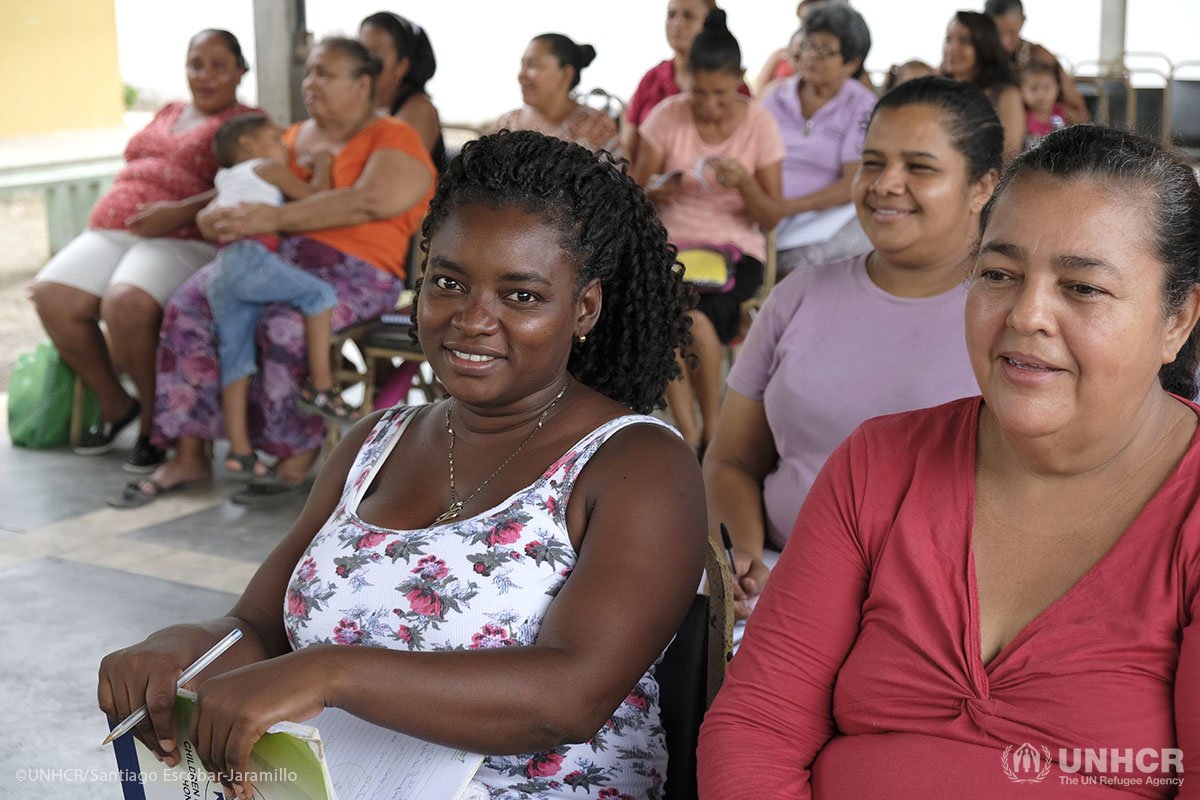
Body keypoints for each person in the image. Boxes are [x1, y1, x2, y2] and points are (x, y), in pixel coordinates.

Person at [98, 130, 706, 800]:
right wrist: (184, 647)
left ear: (583, 307)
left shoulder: (638, 462)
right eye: (449, 282)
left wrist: (331, 673)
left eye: (521, 296)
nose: (472, 319)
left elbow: (570, 696)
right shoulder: (372, 443)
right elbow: (260, 628)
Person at [698, 125, 1200, 796]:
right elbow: (760, 723)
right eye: (999, 274)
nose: (1027, 315)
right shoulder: (878, 464)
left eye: (1082, 288)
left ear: (1178, 320)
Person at [705, 75, 1000, 624]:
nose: (886, 183)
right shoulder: (798, 295)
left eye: (919, 167)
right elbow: (731, 460)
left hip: (937, 613)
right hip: (776, 585)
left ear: (982, 186)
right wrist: (741, 559)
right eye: (872, 162)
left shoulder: (1014, 319)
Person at [115, 37, 435, 507]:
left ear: (362, 83)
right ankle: (189, 452)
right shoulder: (287, 137)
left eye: (325, 73)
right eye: (308, 73)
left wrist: (275, 220)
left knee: (283, 324)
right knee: (188, 306)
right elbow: (233, 191)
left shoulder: (394, 137)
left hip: (358, 270)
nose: (311, 83)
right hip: (266, 257)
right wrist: (209, 218)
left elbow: (369, 200)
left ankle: (294, 453)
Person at [30, 29, 258, 473]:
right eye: (196, 64)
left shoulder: (248, 122)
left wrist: (177, 211)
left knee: (126, 303)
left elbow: (251, 182)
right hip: (115, 229)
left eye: (218, 65)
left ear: (240, 71)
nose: (204, 75)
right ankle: (117, 405)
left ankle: (157, 426)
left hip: (182, 235)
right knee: (50, 295)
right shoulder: (170, 110)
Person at [633, 8, 784, 453]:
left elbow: (772, 215)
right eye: (699, 92)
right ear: (686, 80)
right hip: (670, 250)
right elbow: (634, 194)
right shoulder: (665, 116)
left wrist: (747, 186)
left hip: (735, 254)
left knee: (688, 317)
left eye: (720, 93)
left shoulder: (760, 123)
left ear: (739, 78)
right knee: (672, 317)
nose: (710, 104)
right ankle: (694, 434)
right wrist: (656, 191)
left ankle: (708, 433)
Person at [203, 113, 360, 482]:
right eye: (276, 139)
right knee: (320, 295)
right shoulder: (265, 168)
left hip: (222, 267)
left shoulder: (225, 177)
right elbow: (314, 199)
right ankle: (321, 385)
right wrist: (321, 165)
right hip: (251, 258)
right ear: (249, 146)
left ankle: (240, 452)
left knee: (235, 359)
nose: (284, 148)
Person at [760, 5, 876, 276]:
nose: (812, 56)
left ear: (852, 62)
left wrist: (787, 208)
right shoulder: (775, 97)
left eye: (825, 51)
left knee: (804, 270)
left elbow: (853, 182)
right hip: (763, 212)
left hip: (823, 219)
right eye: (810, 45)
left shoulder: (863, 106)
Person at [621, 0, 753, 164]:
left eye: (689, 16)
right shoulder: (651, 79)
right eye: (671, 15)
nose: (677, 23)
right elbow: (626, 149)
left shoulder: (734, 87)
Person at [488, 34, 617, 154]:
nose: (521, 75)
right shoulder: (505, 124)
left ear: (566, 73)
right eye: (522, 66)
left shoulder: (597, 128)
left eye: (532, 65)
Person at [358, 11, 446, 170]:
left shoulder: (418, 109)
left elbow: (390, 174)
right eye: (360, 54)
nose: (365, 65)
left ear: (402, 66)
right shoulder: (361, 108)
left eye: (375, 56)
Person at [985, 0, 1089, 125]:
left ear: (1023, 21)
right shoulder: (976, 57)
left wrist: (1052, 111)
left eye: (1012, 33)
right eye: (997, 34)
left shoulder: (1042, 57)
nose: (1005, 42)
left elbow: (1083, 116)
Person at [941, 10, 1024, 161]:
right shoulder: (938, 91)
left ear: (984, 46)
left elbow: (1009, 159)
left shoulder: (1006, 95)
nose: (952, 48)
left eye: (964, 41)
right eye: (948, 39)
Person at [1021, 60, 1067, 149]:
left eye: (1047, 88)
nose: (1041, 94)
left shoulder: (1063, 113)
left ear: (1057, 89)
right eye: (1034, 88)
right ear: (1021, 91)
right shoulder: (1022, 118)